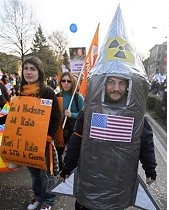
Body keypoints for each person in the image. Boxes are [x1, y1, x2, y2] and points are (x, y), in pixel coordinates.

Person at [60, 75, 157, 210]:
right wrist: (68, 167)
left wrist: (150, 169)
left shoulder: (135, 114)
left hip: (117, 187)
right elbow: (77, 139)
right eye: (111, 82)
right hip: (89, 183)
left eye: (121, 83)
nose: (116, 88)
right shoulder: (91, 110)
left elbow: (145, 143)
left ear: (127, 86)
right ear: (103, 84)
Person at [19, 56, 61, 210]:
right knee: (34, 173)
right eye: (26, 68)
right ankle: (37, 197)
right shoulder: (21, 92)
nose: (28, 72)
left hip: (44, 141)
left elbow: (56, 116)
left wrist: (49, 136)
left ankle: (48, 201)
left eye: (32, 69)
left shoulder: (48, 91)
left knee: (47, 175)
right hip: (27, 141)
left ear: (39, 72)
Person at [55, 71, 84, 171]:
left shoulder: (77, 97)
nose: (66, 83)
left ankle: (70, 172)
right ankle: (60, 171)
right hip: (60, 129)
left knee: (72, 153)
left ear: (72, 83)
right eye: (63, 81)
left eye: (69, 81)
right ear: (60, 83)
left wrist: (72, 114)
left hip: (73, 129)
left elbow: (84, 114)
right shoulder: (57, 96)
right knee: (59, 151)